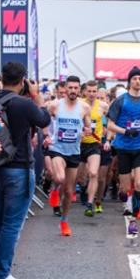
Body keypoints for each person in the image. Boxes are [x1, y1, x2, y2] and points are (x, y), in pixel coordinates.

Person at [0, 62, 51, 279]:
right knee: (11, 225)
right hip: (19, 169)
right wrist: (38, 96)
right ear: (23, 81)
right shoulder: (25, 103)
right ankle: (0, 273)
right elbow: (44, 119)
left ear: (1, 78)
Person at [107, 66, 140, 235]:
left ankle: (133, 219)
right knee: (125, 187)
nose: (137, 81)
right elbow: (111, 124)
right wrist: (125, 131)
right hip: (123, 147)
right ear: (129, 82)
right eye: (134, 78)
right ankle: (123, 195)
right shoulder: (121, 101)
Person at [46, 76, 92, 236]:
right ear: (65, 88)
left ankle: (64, 221)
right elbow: (43, 121)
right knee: (59, 178)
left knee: (68, 190)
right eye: (70, 88)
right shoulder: (54, 105)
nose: (73, 91)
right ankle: (54, 190)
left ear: (80, 90)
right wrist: (46, 135)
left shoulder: (84, 107)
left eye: (76, 88)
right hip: (57, 148)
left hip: (74, 151)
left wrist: (88, 131)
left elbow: (88, 127)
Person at [80, 80, 109, 216]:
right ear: (85, 91)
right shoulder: (79, 104)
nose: (91, 94)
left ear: (97, 92)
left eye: (94, 91)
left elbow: (112, 122)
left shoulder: (103, 106)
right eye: (89, 91)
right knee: (80, 178)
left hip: (94, 144)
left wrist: (108, 138)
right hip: (79, 144)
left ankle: (90, 204)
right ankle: (84, 190)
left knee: (93, 173)